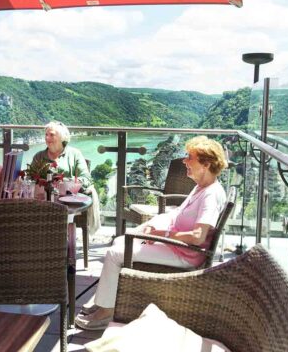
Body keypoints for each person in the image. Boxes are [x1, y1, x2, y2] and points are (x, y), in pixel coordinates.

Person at [75, 136, 228, 330]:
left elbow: (197, 237)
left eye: (190, 157)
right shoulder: (201, 187)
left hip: (185, 254)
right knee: (121, 240)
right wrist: (149, 228)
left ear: (205, 164)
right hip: (177, 245)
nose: (184, 161)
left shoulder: (211, 195)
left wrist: (161, 235)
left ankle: (106, 313)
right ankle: (105, 301)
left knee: (114, 254)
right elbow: (177, 214)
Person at [31, 121, 92, 191]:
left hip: (69, 198)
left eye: (51, 135)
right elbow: (30, 178)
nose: (47, 138)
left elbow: (86, 178)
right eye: (46, 135)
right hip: (43, 198)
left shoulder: (75, 154)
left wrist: (66, 182)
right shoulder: (39, 156)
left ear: (62, 137)